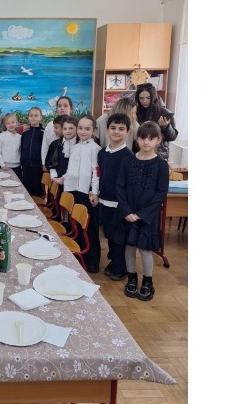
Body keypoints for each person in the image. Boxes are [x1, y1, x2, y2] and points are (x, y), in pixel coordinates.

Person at [112, 121, 170, 301]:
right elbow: (119, 187)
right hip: (127, 213)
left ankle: (147, 281)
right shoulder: (128, 160)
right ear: (137, 139)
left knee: (145, 250)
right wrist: (126, 211)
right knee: (129, 248)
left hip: (147, 216)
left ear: (158, 140)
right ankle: (131, 278)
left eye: (151, 139)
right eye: (143, 138)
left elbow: (161, 193)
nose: (146, 142)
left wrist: (142, 214)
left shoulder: (161, 165)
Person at [92, 113, 135, 281]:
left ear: (128, 132)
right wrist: (95, 193)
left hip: (119, 205)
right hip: (104, 201)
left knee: (119, 238)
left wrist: (126, 206)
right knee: (109, 234)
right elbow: (98, 174)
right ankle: (114, 261)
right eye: (113, 128)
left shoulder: (129, 157)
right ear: (107, 130)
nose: (116, 131)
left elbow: (129, 186)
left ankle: (120, 267)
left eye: (121, 129)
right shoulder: (102, 153)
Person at [64, 115, 102, 273]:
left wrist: (94, 192)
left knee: (89, 228)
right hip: (74, 190)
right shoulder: (75, 147)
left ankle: (92, 261)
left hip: (87, 192)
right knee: (77, 225)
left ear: (94, 130)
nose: (83, 131)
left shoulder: (95, 148)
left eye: (87, 128)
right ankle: (80, 256)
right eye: (80, 128)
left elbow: (96, 172)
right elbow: (71, 169)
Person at [134, 83, 178, 159]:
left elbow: (172, 137)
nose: (144, 101)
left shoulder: (165, 113)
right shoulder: (134, 111)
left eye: (148, 98)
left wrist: (166, 127)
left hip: (159, 154)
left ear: (153, 97)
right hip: (138, 152)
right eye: (141, 98)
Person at [41, 96, 74, 167]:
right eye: (59, 106)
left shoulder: (75, 125)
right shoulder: (50, 125)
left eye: (65, 106)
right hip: (52, 163)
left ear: (71, 108)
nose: (62, 108)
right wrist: (44, 163)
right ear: (56, 109)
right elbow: (45, 145)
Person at [19, 106, 45, 197]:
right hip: (26, 165)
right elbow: (22, 147)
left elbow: (45, 149)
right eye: (31, 115)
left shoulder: (43, 133)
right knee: (26, 188)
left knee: (38, 188)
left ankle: (38, 202)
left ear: (41, 118)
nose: (33, 118)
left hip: (38, 165)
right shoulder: (25, 133)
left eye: (36, 116)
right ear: (28, 117)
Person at [46, 115, 77, 185]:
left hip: (75, 184)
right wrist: (54, 178)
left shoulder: (80, 145)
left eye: (71, 128)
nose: (68, 131)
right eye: (65, 128)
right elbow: (50, 163)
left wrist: (63, 178)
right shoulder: (54, 144)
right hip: (57, 183)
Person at [0, 112, 21, 177]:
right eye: (8, 123)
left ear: (16, 123)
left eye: (13, 122)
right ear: (5, 125)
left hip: (17, 167)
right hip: (5, 167)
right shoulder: (1, 137)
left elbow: (21, 151)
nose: (11, 125)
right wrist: (2, 165)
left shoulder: (20, 137)